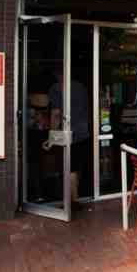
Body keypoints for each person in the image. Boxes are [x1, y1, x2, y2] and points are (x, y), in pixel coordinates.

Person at [48, 70, 90, 209]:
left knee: (69, 167)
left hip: (67, 133)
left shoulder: (56, 88)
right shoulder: (81, 87)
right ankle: (75, 197)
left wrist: (52, 135)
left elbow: (56, 114)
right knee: (77, 166)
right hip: (83, 131)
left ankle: (73, 200)